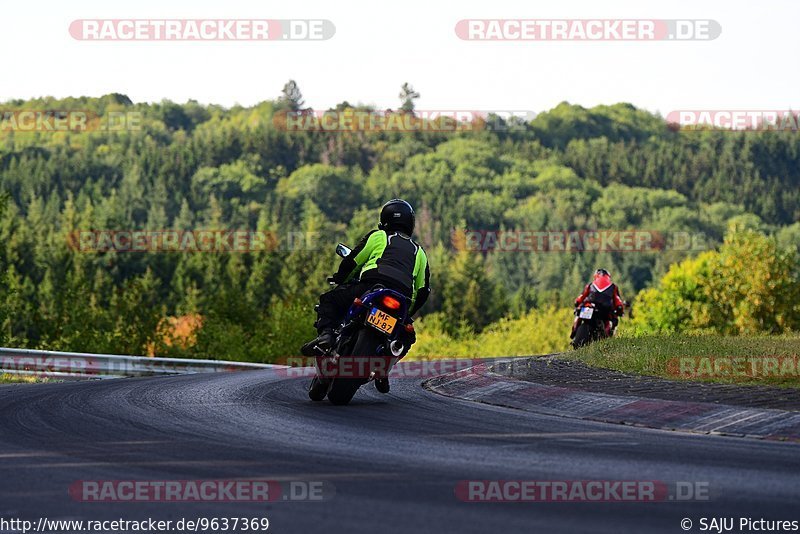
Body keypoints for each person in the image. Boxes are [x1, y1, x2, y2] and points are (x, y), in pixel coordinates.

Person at [301, 199, 431, 392]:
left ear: (384, 219)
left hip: (371, 287)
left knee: (329, 300)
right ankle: (383, 369)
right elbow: (422, 291)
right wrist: (407, 313)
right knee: (406, 336)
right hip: (401, 300)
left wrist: (340, 279)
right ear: (410, 223)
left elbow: (353, 261)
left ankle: (327, 335)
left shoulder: (379, 236)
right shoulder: (419, 252)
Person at [572, 268, 625, 338]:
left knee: (579, 313)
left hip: (589, 306)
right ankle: (606, 339)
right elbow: (618, 302)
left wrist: (577, 303)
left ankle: (574, 332)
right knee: (612, 321)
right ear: (608, 277)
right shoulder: (613, 287)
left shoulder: (590, 285)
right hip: (604, 310)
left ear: (596, 276)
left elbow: (581, 297)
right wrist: (620, 309)